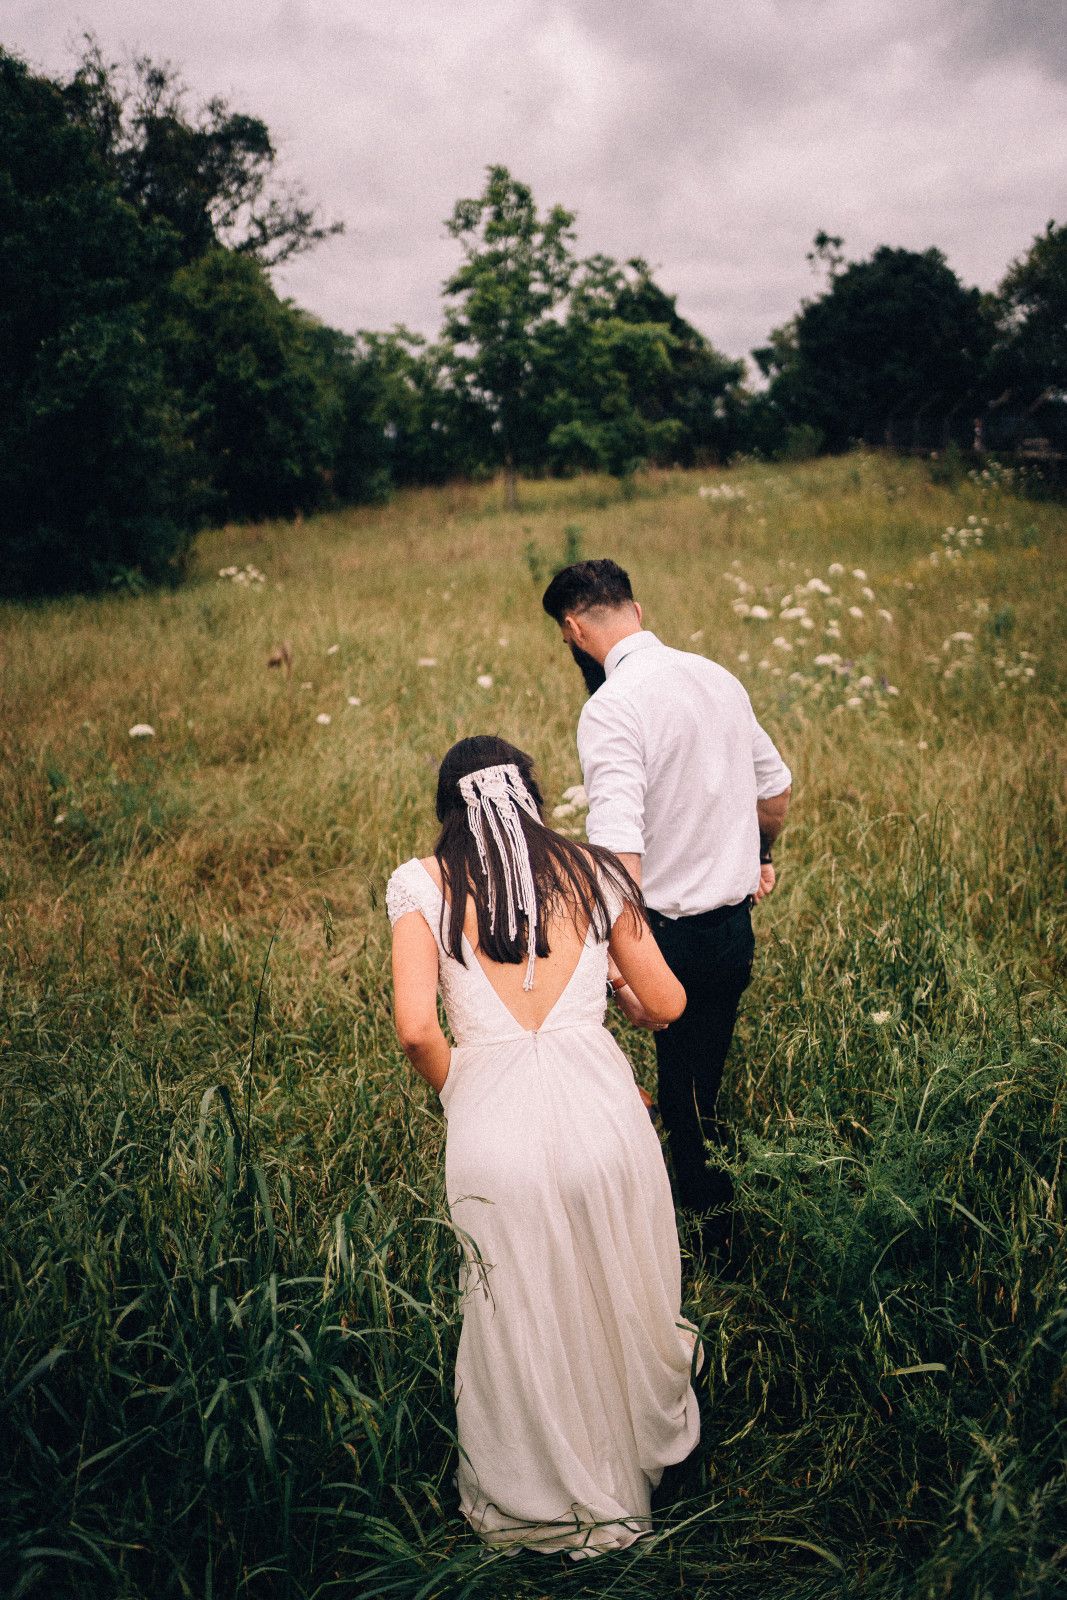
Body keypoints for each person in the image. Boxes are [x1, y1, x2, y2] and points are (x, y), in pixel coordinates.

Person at [387, 735, 702, 1559]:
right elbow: (667, 1002)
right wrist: (622, 993)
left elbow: (417, 1028)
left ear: (449, 810)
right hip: (603, 1113)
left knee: (514, 1303)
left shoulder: (420, 883)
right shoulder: (596, 872)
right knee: (614, 1275)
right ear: (532, 795)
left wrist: (463, 1087)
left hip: (494, 1124)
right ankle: (631, 1456)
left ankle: (539, 1490)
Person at [541, 560, 792, 1261]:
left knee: (676, 1096)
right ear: (637, 610)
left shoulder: (611, 707)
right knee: (696, 1081)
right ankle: (698, 1209)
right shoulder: (716, 676)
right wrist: (763, 857)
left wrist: (622, 971)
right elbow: (774, 791)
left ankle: (706, 1242)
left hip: (664, 940)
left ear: (571, 629)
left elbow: (618, 857)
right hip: (732, 930)